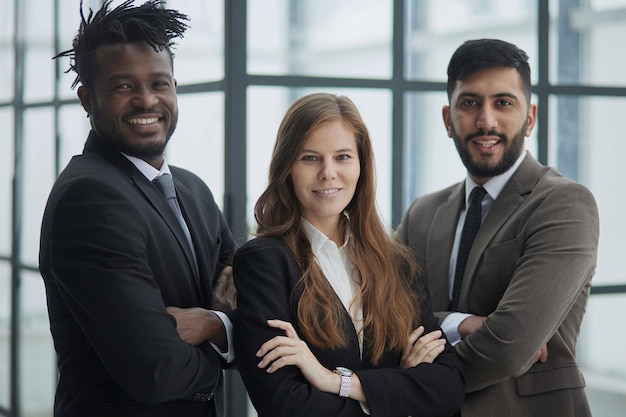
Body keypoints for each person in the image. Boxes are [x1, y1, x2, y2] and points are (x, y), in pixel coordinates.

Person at [39, 1, 237, 416]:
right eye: (123, 86)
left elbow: (258, 299)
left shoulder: (193, 190)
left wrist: (214, 325)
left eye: (159, 83)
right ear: (87, 99)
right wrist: (231, 336)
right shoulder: (90, 198)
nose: (147, 100)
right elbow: (158, 372)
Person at [396, 38, 599, 416]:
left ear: (530, 118)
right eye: (469, 103)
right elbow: (382, 319)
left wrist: (413, 378)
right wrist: (462, 323)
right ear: (447, 118)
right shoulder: (421, 213)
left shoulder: (564, 204)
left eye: (503, 103)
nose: (486, 120)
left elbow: (511, 343)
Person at [233, 92, 465, 417]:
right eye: (310, 158)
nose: (328, 173)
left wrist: (334, 381)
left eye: (342, 157)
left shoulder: (395, 263)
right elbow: (287, 405)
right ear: (287, 167)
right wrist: (401, 385)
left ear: (361, 165)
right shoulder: (263, 263)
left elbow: (448, 387)